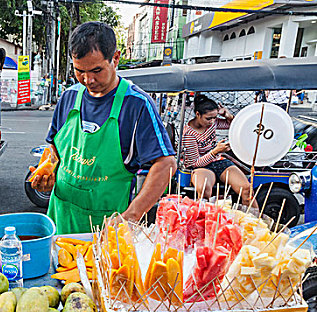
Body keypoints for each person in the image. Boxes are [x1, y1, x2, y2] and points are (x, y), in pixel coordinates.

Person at [30, 21, 177, 235]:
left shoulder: (136, 104)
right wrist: (46, 173)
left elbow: (165, 164)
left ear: (115, 58)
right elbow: (54, 149)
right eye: (79, 71)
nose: (87, 80)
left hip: (107, 228)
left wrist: (132, 215)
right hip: (61, 218)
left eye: (96, 70)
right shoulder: (69, 97)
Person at [182, 94, 258, 208]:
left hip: (219, 162)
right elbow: (195, 162)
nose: (212, 121)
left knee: (247, 190)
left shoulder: (212, 123)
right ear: (198, 114)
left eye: (214, 117)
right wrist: (215, 151)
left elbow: (235, 126)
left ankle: (254, 221)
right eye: (208, 118)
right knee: (204, 192)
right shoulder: (189, 134)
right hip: (201, 167)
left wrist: (228, 115)